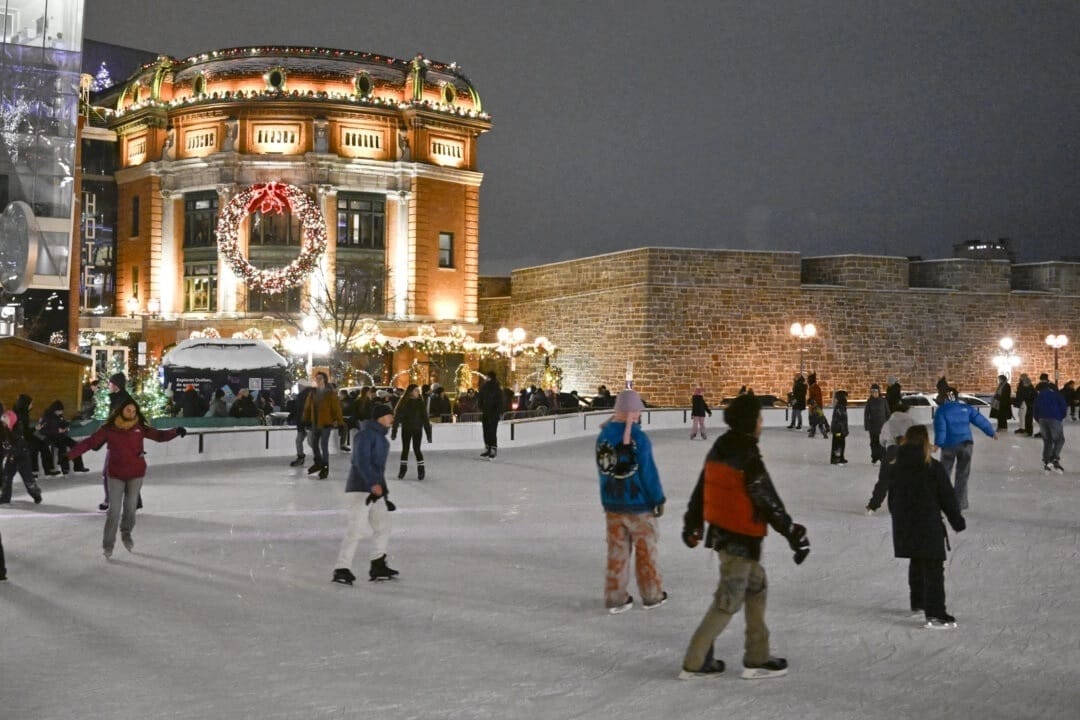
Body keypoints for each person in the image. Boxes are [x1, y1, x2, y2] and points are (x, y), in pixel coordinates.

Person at [679, 394, 809, 680]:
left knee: (756, 586)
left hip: (728, 538)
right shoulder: (748, 456)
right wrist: (792, 533)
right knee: (728, 601)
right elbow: (767, 500)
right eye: (760, 418)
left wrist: (692, 523)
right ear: (751, 423)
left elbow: (702, 488)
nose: (762, 423)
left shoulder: (721, 446)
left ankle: (757, 656)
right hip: (739, 540)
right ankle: (695, 661)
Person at [868, 425, 965, 628]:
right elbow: (947, 497)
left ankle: (918, 603)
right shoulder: (933, 467)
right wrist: (957, 521)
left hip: (906, 524)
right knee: (933, 566)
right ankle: (935, 613)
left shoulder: (896, 465)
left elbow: (892, 498)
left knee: (917, 561)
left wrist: (900, 519)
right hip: (927, 523)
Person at [68, 399, 186, 558]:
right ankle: (108, 545)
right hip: (116, 475)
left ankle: (126, 533)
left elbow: (159, 436)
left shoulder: (140, 428)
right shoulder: (109, 429)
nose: (131, 413)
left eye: (134, 411)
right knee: (114, 512)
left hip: (136, 474)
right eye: (128, 410)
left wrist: (175, 431)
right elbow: (90, 442)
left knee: (130, 509)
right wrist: (69, 455)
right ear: (121, 411)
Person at [596, 389, 666, 613]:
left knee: (617, 553)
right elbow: (648, 472)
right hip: (639, 507)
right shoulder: (639, 438)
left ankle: (615, 597)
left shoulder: (603, 437)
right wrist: (657, 498)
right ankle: (652, 594)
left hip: (613, 506)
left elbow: (604, 471)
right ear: (634, 412)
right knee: (646, 552)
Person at [332, 403, 398, 585]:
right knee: (356, 530)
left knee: (383, 525)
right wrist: (373, 484)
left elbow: (378, 469)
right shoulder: (365, 436)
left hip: (375, 491)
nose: (392, 419)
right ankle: (341, 568)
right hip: (360, 489)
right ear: (380, 417)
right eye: (389, 415)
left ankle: (378, 564)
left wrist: (384, 494)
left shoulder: (381, 438)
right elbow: (360, 461)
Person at [933, 386, 996, 511]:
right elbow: (980, 420)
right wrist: (991, 432)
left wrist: (938, 444)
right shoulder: (966, 409)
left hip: (949, 445)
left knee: (944, 474)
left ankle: (943, 501)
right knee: (962, 474)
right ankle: (960, 503)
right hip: (966, 444)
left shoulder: (942, 410)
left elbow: (941, 429)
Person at [303, 371, 345, 479]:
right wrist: (305, 420)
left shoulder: (330, 393)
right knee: (314, 443)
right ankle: (318, 462)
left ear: (325, 380)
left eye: (320, 378)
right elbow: (307, 408)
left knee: (324, 445)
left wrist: (339, 422)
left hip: (326, 423)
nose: (318, 380)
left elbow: (337, 409)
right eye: (317, 378)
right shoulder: (312, 393)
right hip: (315, 423)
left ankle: (325, 467)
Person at [391, 384, 432, 480]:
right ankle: (403, 470)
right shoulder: (404, 403)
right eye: (416, 390)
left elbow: (425, 419)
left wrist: (428, 434)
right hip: (406, 429)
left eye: (418, 390)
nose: (418, 392)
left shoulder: (420, 403)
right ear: (410, 392)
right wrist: (394, 431)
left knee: (417, 449)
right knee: (405, 449)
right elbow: (397, 418)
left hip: (417, 429)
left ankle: (421, 470)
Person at [1, 409, 42, 504]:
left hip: (22, 457)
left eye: (5, 419)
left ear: (11, 420)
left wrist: (11, 452)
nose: (3, 421)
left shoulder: (17, 430)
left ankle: (36, 494)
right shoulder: (5, 429)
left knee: (28, 479)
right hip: (12, 457)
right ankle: (5, 497)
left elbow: (18, 445)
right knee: (6, 477)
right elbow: (6, 443)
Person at [39, 400, 89, 475]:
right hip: (51, 437)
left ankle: (78, 466)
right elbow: (43, 430)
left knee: (75, 445)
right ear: (55, 410)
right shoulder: (47, 417)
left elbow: (63, 423)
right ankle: (65, 468)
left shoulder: (59, 416)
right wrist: (57, 431)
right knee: (62, 447)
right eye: (60, 411)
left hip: (61, 436)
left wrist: (68, 426)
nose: (61, 412)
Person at [1033, 380, 1067, 474]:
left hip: (1042, 419)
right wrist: (1060, 417)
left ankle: (1046, 460)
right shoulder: (1056, 394)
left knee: (1047, 440)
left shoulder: (1039, 396)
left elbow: (1035, 409)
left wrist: (1039, 419)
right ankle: (1054, 458)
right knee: (1059, 440)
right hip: (1054, 418)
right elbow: (1063, 406)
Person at [477, 375, 503, 460]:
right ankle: (488, 448)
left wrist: (497, 411)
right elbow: (480, 399)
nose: (486, 379)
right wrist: (482, 407)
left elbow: (499, 402)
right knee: (487, 431)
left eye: (488, 377)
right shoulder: (485, 388)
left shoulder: (495, 389)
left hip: (493, 414)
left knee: (491, 431)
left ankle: (493, 448)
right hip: (488, 413)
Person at [864, 384, 890, 464]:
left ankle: (883, 457)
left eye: (875, 391)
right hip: (873, 426)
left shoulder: (883, 401)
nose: (874, 393)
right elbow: (866, 414)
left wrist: (889, 423)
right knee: (874, 442)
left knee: (882, 442)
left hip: (882, 425)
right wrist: (867, 425)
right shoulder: (869, 401)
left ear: (878, 392)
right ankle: (874, 457)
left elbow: (887, 412)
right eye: (872, 392)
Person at [830, 390, 849, 465]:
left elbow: (844, 420)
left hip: (841, 429)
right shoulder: (839, 407)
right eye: (845, 397)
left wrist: (845, 430)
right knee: (837, 444)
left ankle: (841, 457)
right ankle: (836, 459)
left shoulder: (842, 406)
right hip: (838, 430)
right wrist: (841, 429)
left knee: (842, 443)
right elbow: (839, 420)